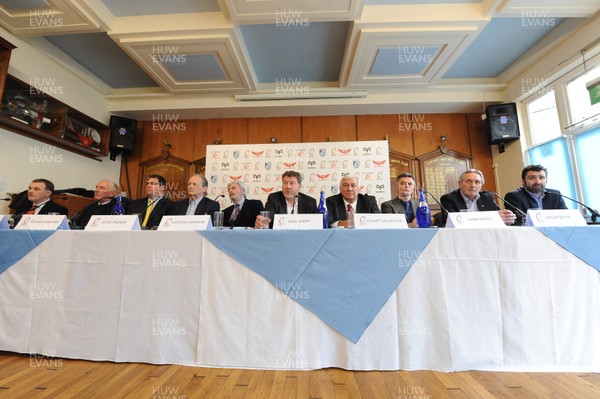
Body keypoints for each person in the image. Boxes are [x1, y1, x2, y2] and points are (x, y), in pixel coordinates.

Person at [440, 169, 516, 225]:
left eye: (477, 182)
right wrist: (491, 219)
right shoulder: (448, 199)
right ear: (459, 184)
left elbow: (498, 216)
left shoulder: (487, 197)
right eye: (469, 181)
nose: (473, 185)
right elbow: (455, 222)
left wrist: (506, 217)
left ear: (481, 185)